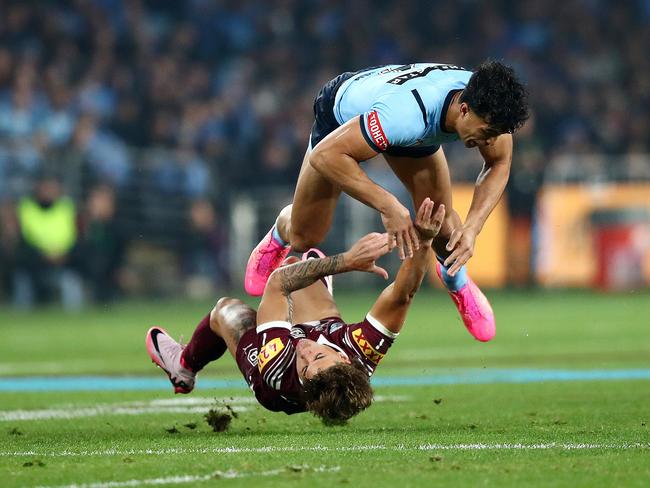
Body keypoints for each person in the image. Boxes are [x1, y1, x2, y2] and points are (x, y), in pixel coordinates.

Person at [245, 61, 530, 342]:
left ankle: (456, 280)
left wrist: (473, 227)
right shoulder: (405, 115)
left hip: (405, 126)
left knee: (444, 224)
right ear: (464, 110)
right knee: (305, 236)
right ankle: (282, 231)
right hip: (341, 120)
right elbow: (325, 156)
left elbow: (499, 163)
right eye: (486, 134)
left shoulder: (491, 105)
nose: (489, 142)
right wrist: (389, 205)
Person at [146, 199, 445, 424]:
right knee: (296, 266)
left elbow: (277, 285)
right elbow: (403, 294)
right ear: (343, 356)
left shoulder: (278, 367)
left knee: (228, 310)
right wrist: (426, 240)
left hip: (272, 378)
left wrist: (347, 261)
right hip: (325, 336)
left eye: (306, 366)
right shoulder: (361, 350)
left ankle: (183, 367)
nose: (304, 353)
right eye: (317, 356)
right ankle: (315, 281)